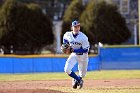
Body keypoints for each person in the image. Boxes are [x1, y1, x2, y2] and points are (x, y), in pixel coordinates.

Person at [62, 20, 90, 89]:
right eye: (75, 27)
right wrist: (65, 46)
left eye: (78, 26)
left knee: (82, 74)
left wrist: (74, 50)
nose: (77, 28)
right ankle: (78, 80)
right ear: (72, 27)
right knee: (67, 69)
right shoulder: (67, 34)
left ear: (79, 27)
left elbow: (86, 50)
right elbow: (65, 40)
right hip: (74, 55)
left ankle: (77, 80)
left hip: (83, 56)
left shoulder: (83, 37)